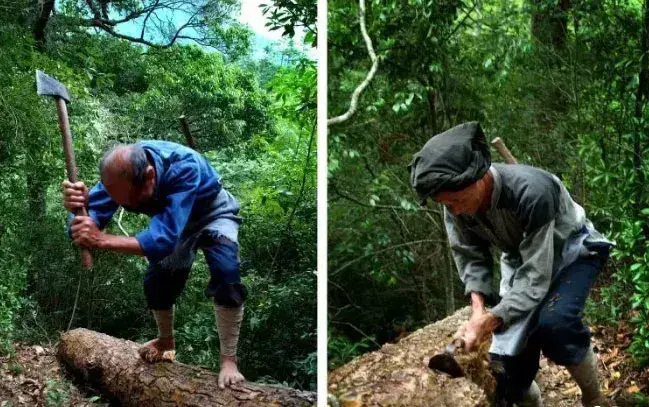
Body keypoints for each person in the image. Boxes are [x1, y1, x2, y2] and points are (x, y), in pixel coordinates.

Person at [409, 122, 613, 407]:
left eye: (455, 201)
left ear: (478, 178)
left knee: (555, 324)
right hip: (522, 259)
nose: (453, 210)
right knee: (504, 361)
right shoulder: (453, 204)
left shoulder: (533, 192)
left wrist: (493, 319)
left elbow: (536, 278)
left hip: (572, 251)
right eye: (445, 204)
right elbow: (470, 254)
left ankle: (595, 398)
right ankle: (530, 399)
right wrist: (479, 309)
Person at [62, 140, 247, 389]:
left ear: (149, 175)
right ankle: (165, 343)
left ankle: (229, 361)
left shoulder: (183, 166)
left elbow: (163, 239)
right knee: (157, 283)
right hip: (174, 226)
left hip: (213, 214)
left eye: (133, 200)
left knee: (226, 272)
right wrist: (79, 213)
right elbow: (87, 224)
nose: (132, 206)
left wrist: (102, 240)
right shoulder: (118, 177)